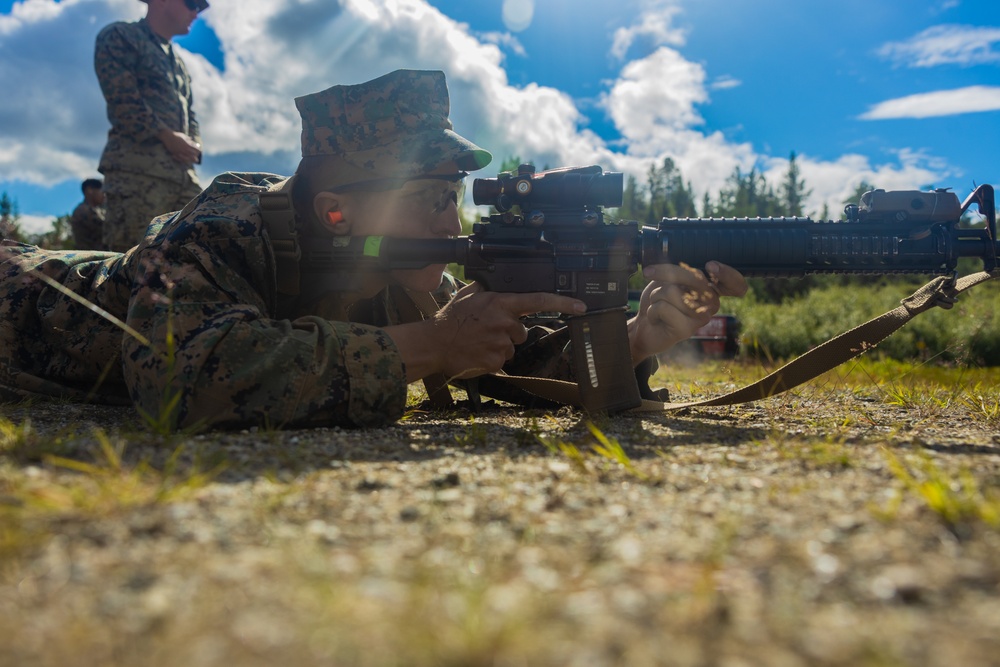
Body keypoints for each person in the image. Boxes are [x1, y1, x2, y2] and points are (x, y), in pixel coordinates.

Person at [0, 69, 747, 431]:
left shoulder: (381, 266)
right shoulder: (207, 231)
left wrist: (637, 336)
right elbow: (183, 378)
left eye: (451, 194)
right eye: (428, 196)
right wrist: (428, 345)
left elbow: (504, 356)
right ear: (336, 210)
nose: (450, 218)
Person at [94, 0, 208, 252]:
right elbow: (122, 99)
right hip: (137, 176)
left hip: (183, 179)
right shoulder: (121, 36)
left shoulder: (177, 62)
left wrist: (194, 145)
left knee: (192, 266)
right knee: (132, 269)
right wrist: (166, 136)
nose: (196, 12)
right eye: (192, 3)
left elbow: (190, 113)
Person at [69, 178, 107, 250]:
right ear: (90, 190)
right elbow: (107, 230)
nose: (104, 195)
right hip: (92, 258)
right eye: (102, 191)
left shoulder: (97, 210)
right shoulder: (83, 211)